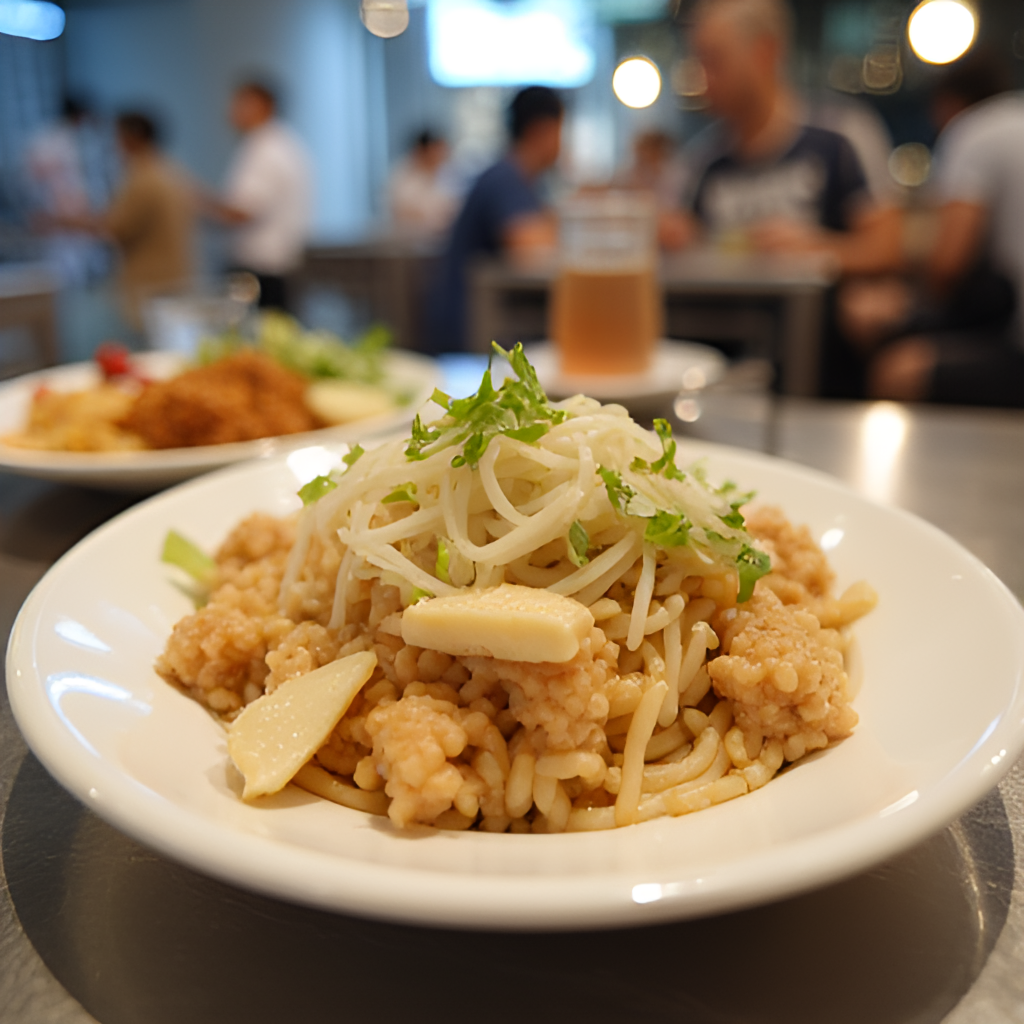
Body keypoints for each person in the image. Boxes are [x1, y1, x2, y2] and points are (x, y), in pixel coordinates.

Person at [660, 0, 902, 395]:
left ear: (765, 51)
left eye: (713, 59)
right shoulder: (702, 163)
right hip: (721, 370)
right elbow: (685, 242)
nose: (702, 77)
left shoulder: (841, 135)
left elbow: (890, 248)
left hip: (822, 371)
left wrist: (821, 249)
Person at [867, 55, 1024, 407]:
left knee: (897, 370)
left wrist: (902, 303)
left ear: (948, 104)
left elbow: (947, 266)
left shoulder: (973, 130)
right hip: (1008, 329)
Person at [429, 85, 563, 353]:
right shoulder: (506, 178)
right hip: (470, 334)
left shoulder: (517, 178)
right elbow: (528, 245)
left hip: (478, 325)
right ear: (543, 129)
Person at [54, 112, 196, 332]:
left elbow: (114, 227)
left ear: (131, 138)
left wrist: (65, 221)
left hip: (150, 284)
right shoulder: (171, 170)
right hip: (175, 277)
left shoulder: (143, 179)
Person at [213, 80, 312, 311]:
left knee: (259, 341)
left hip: (263, 270)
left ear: (264, 105)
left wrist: (193, 200)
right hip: (277, 267)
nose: (232, 111)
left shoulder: (265, 149)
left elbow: (241, 213)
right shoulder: (282, 143)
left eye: (240, 103)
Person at [387, 129, 459, 237]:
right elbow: (407, 216)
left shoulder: (442, 175)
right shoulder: (403, 179)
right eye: (437, 150)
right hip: (410, 244)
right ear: (423, 150)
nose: (443, 155)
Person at [617, 130, 688, 211]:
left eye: (643, 153)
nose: (638, 160)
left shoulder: (673, 174)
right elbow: (621, 183)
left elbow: (669, 207)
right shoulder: (639, 170)